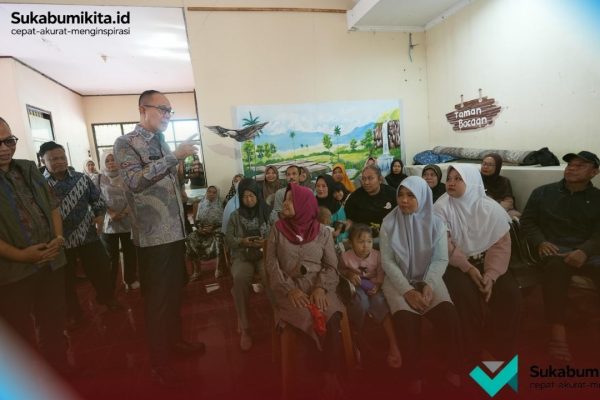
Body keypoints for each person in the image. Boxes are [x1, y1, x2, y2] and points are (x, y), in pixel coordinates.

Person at [113, 90, 205, 386]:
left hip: (175, 231)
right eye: (162, 109)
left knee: (175, 293)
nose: (167, 115)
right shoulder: (126, 143)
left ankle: (176, 342)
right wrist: (173, 157)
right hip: (153, 238)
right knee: (158, 301)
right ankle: (160, 363)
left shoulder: (162, 141)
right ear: (143, 109)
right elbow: (133, 181)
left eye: (170, 111)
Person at [0, 118, 70, 375]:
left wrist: (58, 239)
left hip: (50, 262)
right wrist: (21, 255)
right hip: (12, 273)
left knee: (54, 323)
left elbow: (52, 206)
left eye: (9, 141)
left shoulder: (28, 168)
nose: (4, 149)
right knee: (20, 334)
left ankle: (59, 372)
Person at [380, 176, 462, 394]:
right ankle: (413, 376)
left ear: (423, 197)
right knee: (406, 322)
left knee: (449, 316)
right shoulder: (389, 223)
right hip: (398, 280)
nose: (404, 200)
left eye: (411, 195)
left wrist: (429, 284)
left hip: (428, 277)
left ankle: (453, 367)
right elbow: (387, 262)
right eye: (400, 194)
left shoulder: (436, 223)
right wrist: (407, 291)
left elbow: (440, 259)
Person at [434, 165, 521, 365]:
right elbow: (444, 246)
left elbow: (500, 245)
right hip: (455, 264)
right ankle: (473, 350)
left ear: (472, 182)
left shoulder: (491, 208)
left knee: (510, 294)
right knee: (464, 294)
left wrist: (491, 275)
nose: (451, 182)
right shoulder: (440, 208)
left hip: (489, 263)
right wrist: (469, 268)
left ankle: (500, 351)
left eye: (458, 178)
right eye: (449, 178)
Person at [265, 183, 346, 397]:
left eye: (291, 200)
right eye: (285, 199)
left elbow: (331, 266)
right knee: (303, 317)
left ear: (304, 204)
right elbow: (271, 266)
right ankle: (308, 380)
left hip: (320, 285)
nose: (285, 203)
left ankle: (330, 375)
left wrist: (320, 288)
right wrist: (289, 289)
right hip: (289, 288)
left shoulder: (323, 232)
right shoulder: (277, 229)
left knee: (330, 315)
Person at [520, 151, 600, 362]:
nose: (572, 168)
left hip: (588, 252)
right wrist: (540, 242)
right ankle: (558, 334)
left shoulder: (598, 198)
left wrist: (585, 250)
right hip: (553, 249)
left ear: (594, 172)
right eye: (570, 164)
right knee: (556, 268)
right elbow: (528, 222)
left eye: (580, 165)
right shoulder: (542, 193)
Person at [40, 141, 121, 327]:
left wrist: (99, 217)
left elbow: (97, 200)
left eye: (62, 157)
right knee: (65, 280)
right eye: (53, 159)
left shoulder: (81, 178)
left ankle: (108, 299)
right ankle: (74, 313)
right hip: (59, 241)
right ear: (43, 161)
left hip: (87, 236)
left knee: (101, 269)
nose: (59, 161)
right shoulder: (40, 184)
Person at [339, 224, 402, 369]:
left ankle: (393, 343)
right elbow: (340, 270)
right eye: (361, 242)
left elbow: (381, 272)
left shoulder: (377, 255)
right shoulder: (345, 257)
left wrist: (378, 285)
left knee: (380, 302)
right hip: (357, 286)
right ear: (351, 243)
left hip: (374, 285)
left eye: (369, 241)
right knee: (360, 303)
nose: (365, 245)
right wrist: (349, 274)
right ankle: (358, 338)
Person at [225, 178, 273, 351]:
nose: (249, 200)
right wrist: (242, 241)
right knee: (239, 278)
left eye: (252, 196)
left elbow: (276, 235)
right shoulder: (235, 216)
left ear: (258, 195)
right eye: (245, 196)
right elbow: (229, 240)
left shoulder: (267, 212)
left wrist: (264, 242)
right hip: (242, 255)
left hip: (263, 254)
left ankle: (280, 316)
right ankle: (245, 328)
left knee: (270, 275)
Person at [99, 152, 139, 292]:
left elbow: (134, 196)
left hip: (127, 219)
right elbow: (97, 199)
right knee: (110, 256)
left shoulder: (127, 176)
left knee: (130, 252)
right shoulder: (99, 179)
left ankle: (131, 279)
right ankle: (110, 285)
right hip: (109, 222)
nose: (111, 163)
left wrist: (125, 212)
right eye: (107, 161)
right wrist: (111, 213)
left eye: (113, 160)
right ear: (103, 163)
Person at [344, 165, 396, 238]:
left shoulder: (392, 194)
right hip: (363, 237)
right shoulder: (355, 197)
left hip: (389, 236)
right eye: (363, 179)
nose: (366, 182)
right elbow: (349, 219)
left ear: (380, 179)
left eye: (370, 178)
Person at [186, 185, 224, 281]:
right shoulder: (201, 204)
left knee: (218, 239)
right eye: (209, 192)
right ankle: (197, 270)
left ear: (217, 194)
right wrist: (199, 228)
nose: (211, 194)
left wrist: (213, 227)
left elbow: (223, 221)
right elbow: (197, 221)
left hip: (216, 230)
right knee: (191, 238)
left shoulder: (221, 205)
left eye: (214, 192)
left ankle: (219, 268)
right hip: (202, 230)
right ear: (206, 193)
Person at [480, 153, 520, 218]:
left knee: (515, 215)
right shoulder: (476, 178)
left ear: (497, 167)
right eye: (484, 164)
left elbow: (509, 202)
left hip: (501, 208)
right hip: (482, 208)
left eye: (490, 165)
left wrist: (496, 206)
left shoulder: (504, 181)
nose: (485, 167)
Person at [315, 174, 349, 244]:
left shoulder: (337, 207)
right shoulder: (311, 204)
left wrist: (335, 237)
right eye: (318, 186)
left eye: (324, 186)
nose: (320, 189)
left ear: (330, 187)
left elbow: (344, 231)